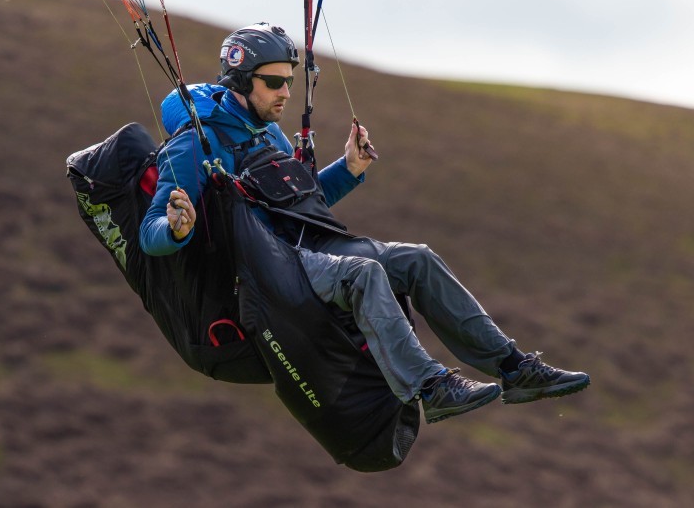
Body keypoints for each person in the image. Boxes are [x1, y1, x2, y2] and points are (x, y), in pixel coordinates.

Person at [140, 22, 590, 424]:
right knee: (364, 273)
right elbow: (149, 234)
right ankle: (430, 388)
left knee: (417, 259)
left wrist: (349, 169)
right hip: (269, 271)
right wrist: (177, 229)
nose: (284, 93)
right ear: (240, 80)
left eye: (290, 83)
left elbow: (301, 200)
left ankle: (515, 369)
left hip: (311, 246)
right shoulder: (194, 143)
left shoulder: (268, 133)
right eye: (274, 82)